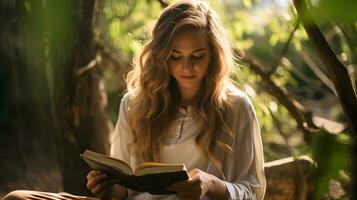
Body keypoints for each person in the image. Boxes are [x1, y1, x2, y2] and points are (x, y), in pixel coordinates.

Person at [3, 0, 265, 199]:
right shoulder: (135, 104)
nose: (187, 66)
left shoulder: (236, 106)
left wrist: (211, 184)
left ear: (214, 56)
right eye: (175, 56)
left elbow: (252, 190)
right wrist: (108, 187)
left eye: (197, 56)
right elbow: (127, 189)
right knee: (20, 198)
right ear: (161, 55)